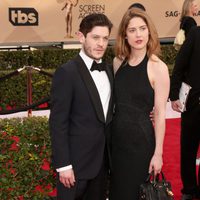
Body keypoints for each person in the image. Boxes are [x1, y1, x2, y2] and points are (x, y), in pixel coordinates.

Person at [49, 13, 113, 200]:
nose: (101, 43)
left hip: (102, 164)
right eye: (95, 37)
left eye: (105, 38)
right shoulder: (66, 73)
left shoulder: (109, 70)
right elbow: (58, 122)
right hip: (75, 167)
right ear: (81, 37)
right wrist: (64, 165)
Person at [109, 8, 170, 200]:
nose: (138, 34)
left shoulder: (157, 67)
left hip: (141, 146)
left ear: (149, 31)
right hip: (116, 145)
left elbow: (160, 113)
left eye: (142, 28)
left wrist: (158, 154)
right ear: (124, 35)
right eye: (132, 30)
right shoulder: (118, 62)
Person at [170, 26, 200, 200]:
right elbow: (179, 65)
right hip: (193, 104)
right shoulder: (196, 34)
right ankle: (189, 189)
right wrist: (174, 95)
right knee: (188, 148)